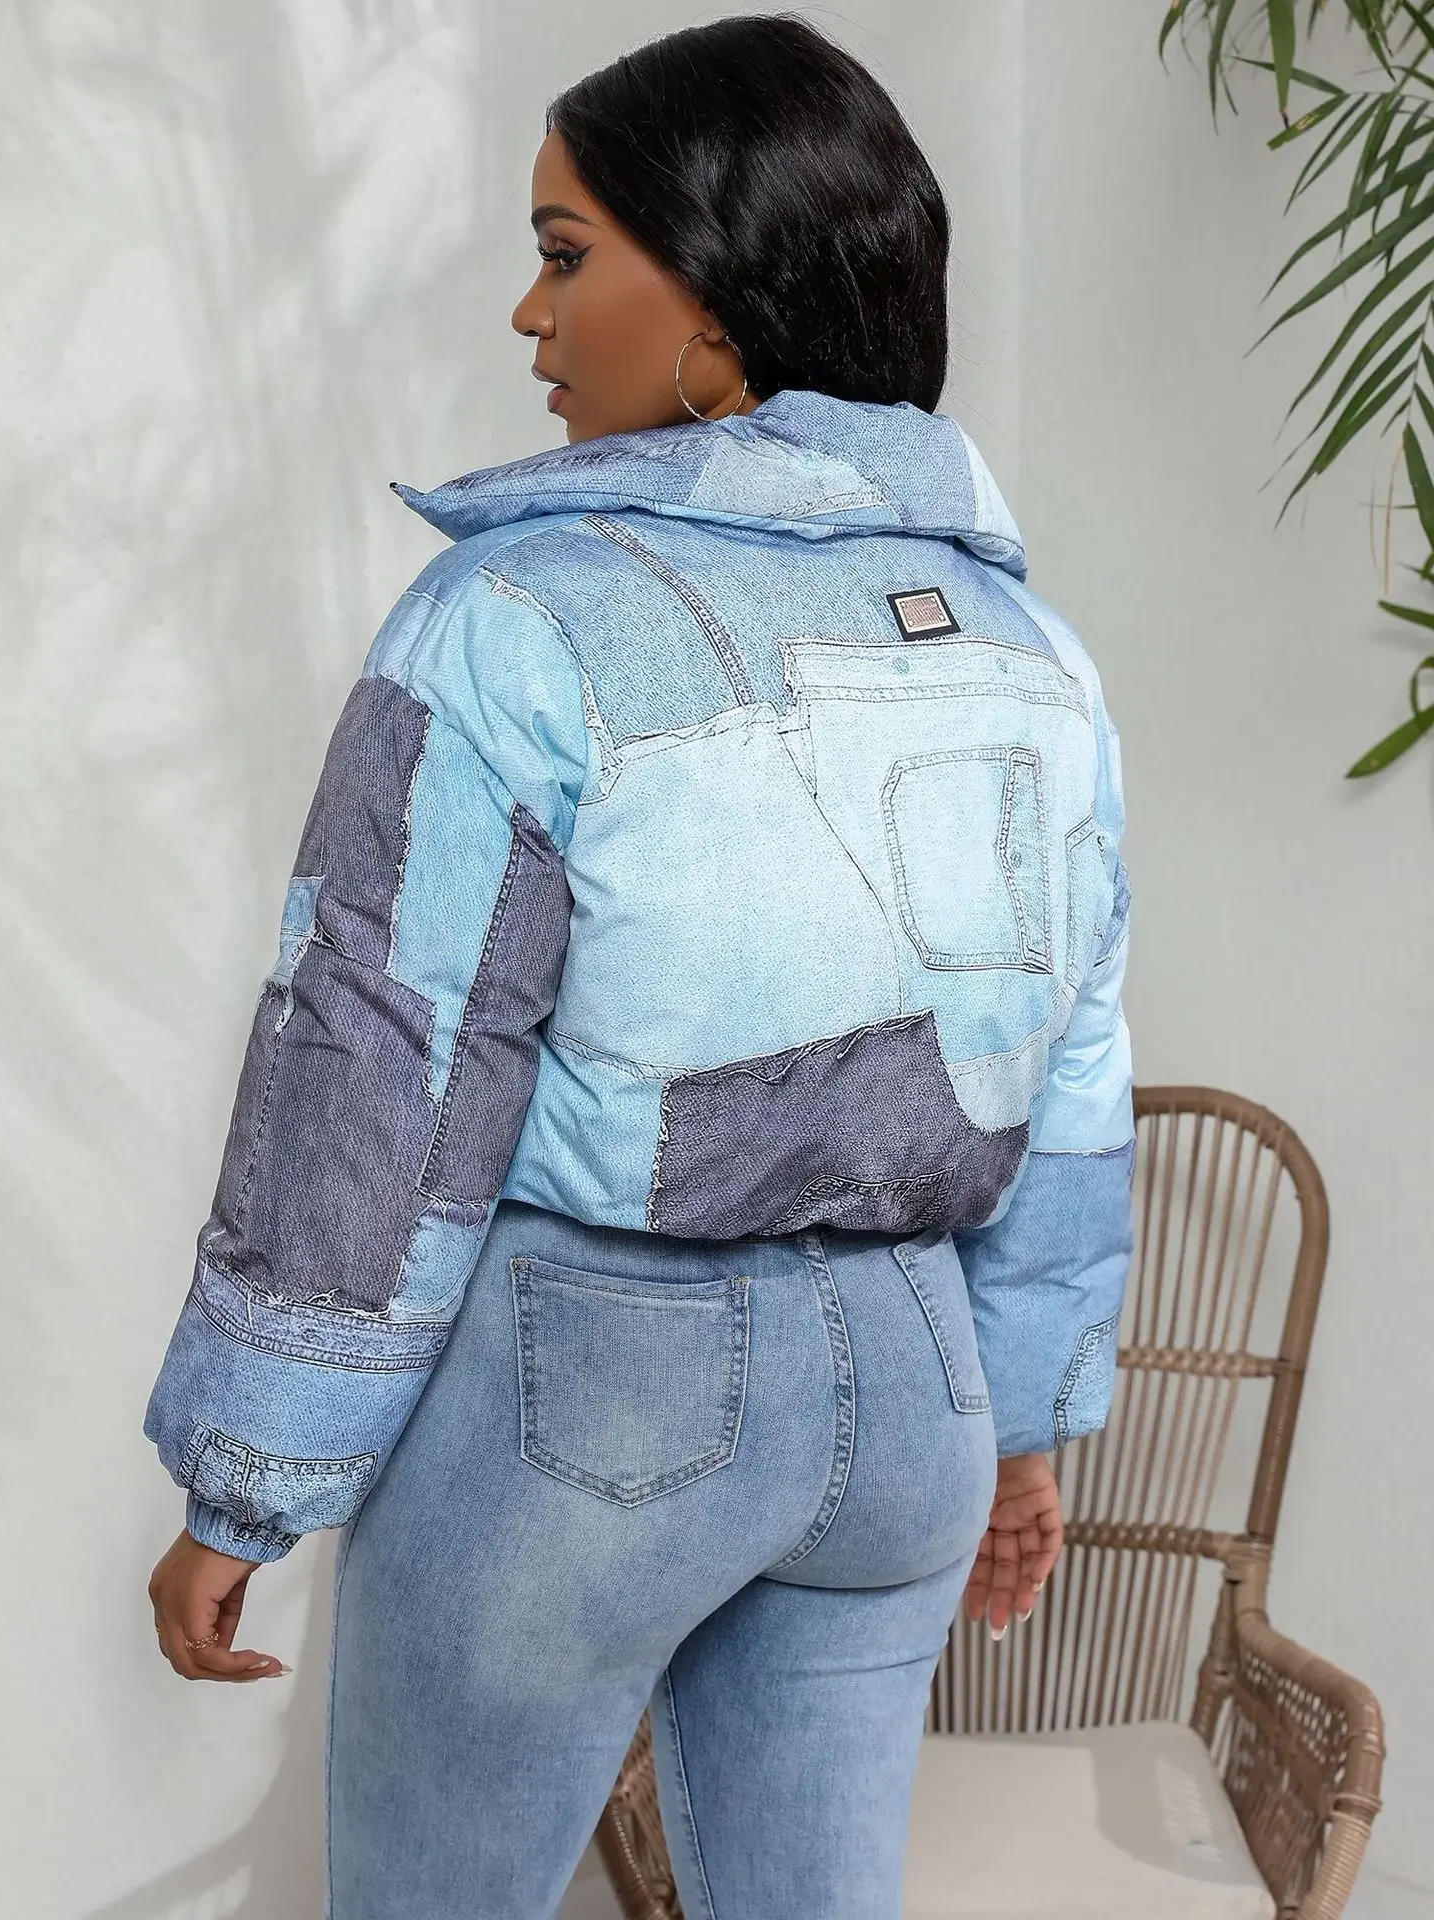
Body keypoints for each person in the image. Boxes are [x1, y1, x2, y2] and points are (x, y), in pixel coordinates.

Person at [142, 13, 1134, 1917]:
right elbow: (1072, 1067)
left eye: (565, 251)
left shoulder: (515, 617)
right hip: (914, 1391)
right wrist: (1024, 1420)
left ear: (718, 297)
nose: (530, 313)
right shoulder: (1033, 652)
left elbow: (386, 1064)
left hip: (593, 1396)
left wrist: (247, 1480)